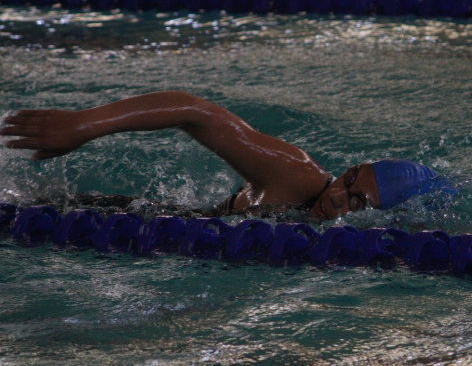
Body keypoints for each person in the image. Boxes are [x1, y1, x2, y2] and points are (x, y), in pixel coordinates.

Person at [0, 90, 441, 220]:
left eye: (359, 202)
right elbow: (198, 113)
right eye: (349, 179)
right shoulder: (297, 176)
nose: (339, 196)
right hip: (147, 223)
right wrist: (84, 125)